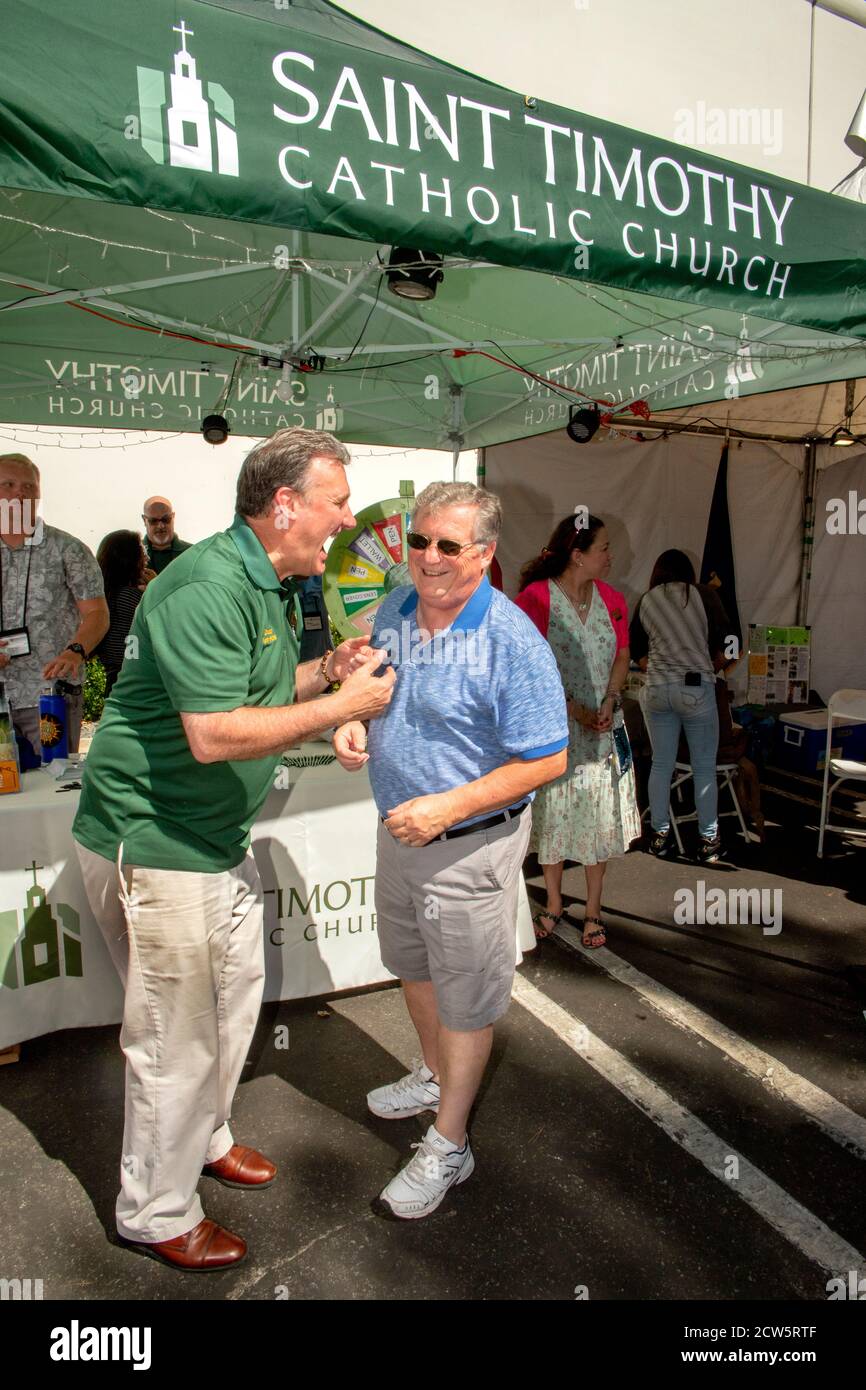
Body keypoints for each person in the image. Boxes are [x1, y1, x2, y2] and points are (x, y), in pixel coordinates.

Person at [72, 428, 395, 1272]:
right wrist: (343, 706)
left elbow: (259, 691)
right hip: (157, 838)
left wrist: (327, 675)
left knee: (233, 1004)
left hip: (212, 840)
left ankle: (204, 1138)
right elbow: (215, 734)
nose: (346, 517)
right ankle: (156, 1210)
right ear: (284, 505)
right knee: (175, 1037)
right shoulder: (207, 584)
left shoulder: (276, 581)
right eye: (335, 500)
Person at [333, 481, 568, 1220]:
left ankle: (450, 1143)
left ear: (486, 554)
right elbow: (376, 680)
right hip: (400, 831)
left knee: (466, 1000)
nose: (428, 558)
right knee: (416, 970)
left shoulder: (512, 641)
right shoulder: (402, 605)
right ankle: (435, 1078)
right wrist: (353, 725)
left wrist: (449, 806)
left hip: (467, 844)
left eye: (447, 545)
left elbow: (548, 758)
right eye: (420, 540)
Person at [515, 515, 640, 948]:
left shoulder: (613, 599)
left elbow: (623, 655)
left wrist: (607, 699)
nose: (610, 556)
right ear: (577, 554)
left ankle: (593, 909)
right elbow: (525, 668)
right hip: (555, 729)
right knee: (553, 816)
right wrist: (575, 710)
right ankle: (552, 902)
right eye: (603, 548)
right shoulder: (536, 599)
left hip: (603, 729)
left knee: (597, 819)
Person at [0, 452, 108, 756]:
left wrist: (76, 651)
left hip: (50, 694)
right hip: (1, 697)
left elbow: (98, 614)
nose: (20, 493)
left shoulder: (68, 549)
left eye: (29, 487)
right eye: (8, 484)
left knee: (54, 783)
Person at [629, 549, 729, 863]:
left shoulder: (646, 600)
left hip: (657, 689)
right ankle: (708, 841)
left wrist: (656, 666)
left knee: (661, 764)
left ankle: (659, 837)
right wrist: (713, 664)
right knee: (703, 767)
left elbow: (636, 651)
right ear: (688, 572)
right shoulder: (704, 595)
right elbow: (729, 640)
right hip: (696, 687)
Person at [93, 530, 151, 694]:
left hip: (116, 680)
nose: (147, 558)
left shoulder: (107, 595)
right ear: (130, 559)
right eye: (142, 551)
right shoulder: (130, 597)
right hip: (136, 682)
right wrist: (157, 587)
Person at [141, 496, 191, 574]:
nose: (161, 526)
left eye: (166, 519)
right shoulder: (129, 555)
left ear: (173, 517)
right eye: (153, 521)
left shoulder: (192, 552)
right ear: (144, 520)